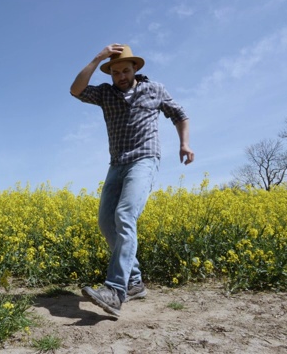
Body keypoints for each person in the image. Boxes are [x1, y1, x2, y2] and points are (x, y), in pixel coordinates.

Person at [70, 44, 194, 317]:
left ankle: (115, 290)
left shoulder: (155, 89)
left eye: (126, 70)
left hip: (144, 159)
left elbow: (180, 115)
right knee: (106, 222)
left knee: (125, 215)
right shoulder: (105, 94)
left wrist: (184, 144)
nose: (121, 76)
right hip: (116, 164)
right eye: (115, 72)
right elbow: (76, 90)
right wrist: (97, 58)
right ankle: (134, 282)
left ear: (135, 68)